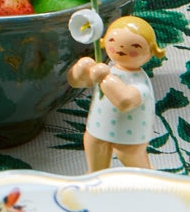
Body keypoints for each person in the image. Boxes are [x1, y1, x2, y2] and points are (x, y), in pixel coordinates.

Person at [68, 15, 161, 171]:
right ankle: (96, 184)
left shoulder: (139, 82)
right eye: (113, 42)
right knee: (95, 154)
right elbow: (75, 82)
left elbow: (125, 101)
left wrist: (105, 78)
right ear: (104, 42)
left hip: (130, 135)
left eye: (135, 46)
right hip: (97, 129)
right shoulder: (107, 68)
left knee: (133, 160)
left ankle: (151, 185)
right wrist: (81, 70)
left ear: (150, 52)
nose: (121, 48)